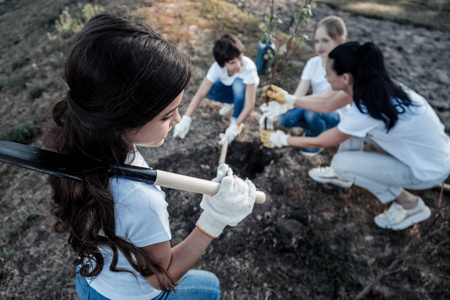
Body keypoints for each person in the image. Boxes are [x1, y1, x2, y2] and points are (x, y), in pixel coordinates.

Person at [44, 14, 257, 299]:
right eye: (167, 115)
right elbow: (161, 277)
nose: (179, 119)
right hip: (129, 294)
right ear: (123, 118)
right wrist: (214, 218)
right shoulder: (141, 200)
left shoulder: (80, 141)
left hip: (91, 280)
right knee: (210, 287)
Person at [261, 41, 450, 230]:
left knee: (341, 163)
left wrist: (281, 139)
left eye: (328, 72)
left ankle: (410, 204)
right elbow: (326, 104)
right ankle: (346, 176)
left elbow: (321, 140)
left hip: (427, 170)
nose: (325, 77)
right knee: (350, 125)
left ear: (344, 77)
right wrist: (289, 99)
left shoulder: (367, 110)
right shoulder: (372, 86)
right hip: (437, 152)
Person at [261, 16, 352, 156]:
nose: (319, 46)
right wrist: (281, 106)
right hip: (314, 107)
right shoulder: (313, 63)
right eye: (316, 41)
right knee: (284, 118)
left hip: (335, 112)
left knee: (312, 112)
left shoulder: (343, 68)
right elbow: (298, 95)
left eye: (325, 41)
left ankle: (315, 139)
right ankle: (315, 127)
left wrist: (290, 100)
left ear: (340, 41)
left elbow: (324, 99)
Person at [173, 33, 260, 145]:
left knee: (238, 86)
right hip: (229, 89)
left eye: (240, 58)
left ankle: (236, 116)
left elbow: (249, 106)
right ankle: (231, 102)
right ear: (223, 64)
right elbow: (200, 94)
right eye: (232, 62)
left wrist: (235, 126)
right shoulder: (217, 68)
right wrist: (187, 117)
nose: (239, 65)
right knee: (209, 89)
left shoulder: (249, 69)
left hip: (245, 93)